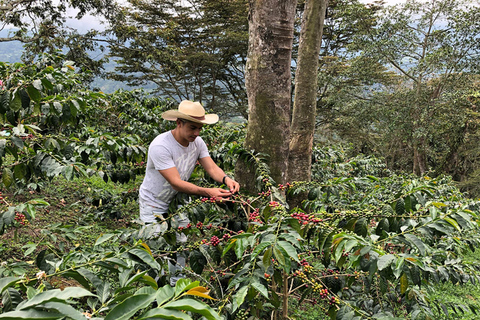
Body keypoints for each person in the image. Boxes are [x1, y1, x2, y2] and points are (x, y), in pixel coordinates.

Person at [138, 100, 240, 285]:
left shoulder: (198, 142)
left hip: (178, 202)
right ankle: (154, 291)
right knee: (157, 247)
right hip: (153, 202)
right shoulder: (161, 146)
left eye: (200, 128)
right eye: (193, 127)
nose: (197, 133)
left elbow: (211, 167)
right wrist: (208, 192)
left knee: (181, 244)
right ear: (179, 122)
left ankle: (176, 284)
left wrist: (226, 179)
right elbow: (176, 182)